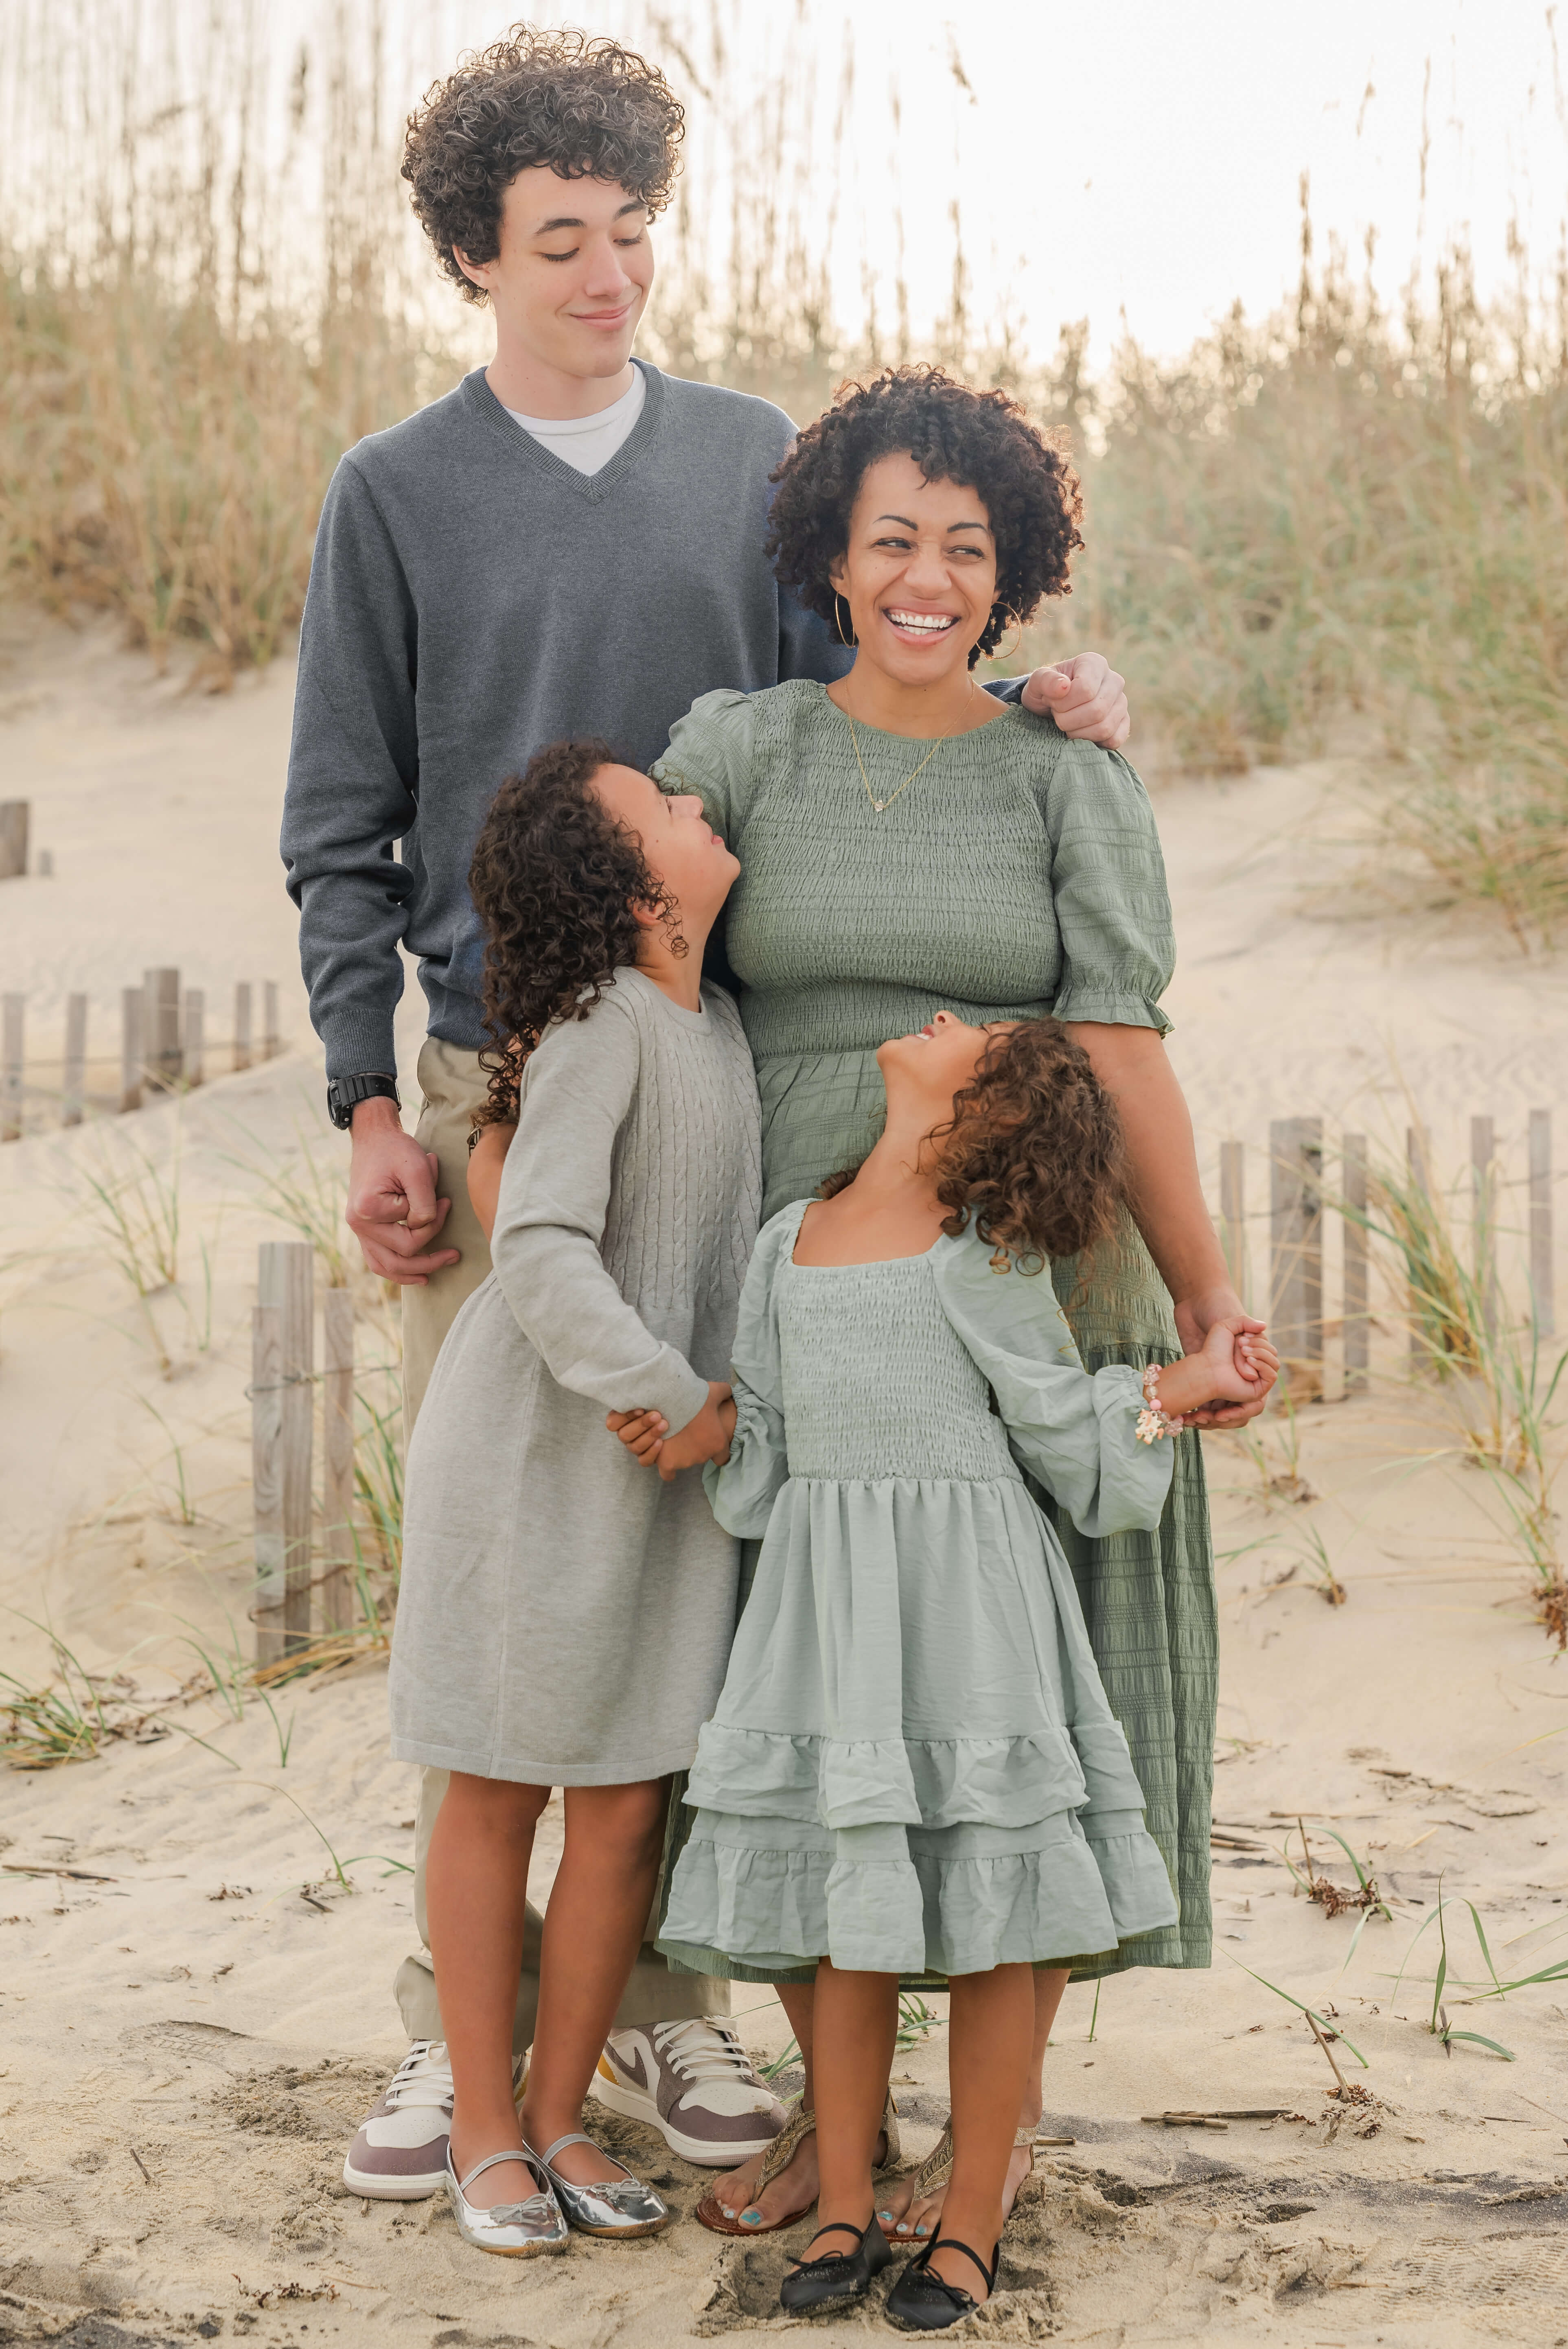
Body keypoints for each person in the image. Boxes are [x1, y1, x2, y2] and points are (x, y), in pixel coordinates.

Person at [280, 24, 1134, 2196]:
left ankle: (645, 2021)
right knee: (511, 1581)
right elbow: (343, 823)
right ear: (475, 255)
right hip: (495, 1075)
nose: (608, 274)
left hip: (714, 1070)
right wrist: (370, 1105)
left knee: (689, 1576)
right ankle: (446, 2046)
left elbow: (861, 663)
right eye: (559, 240)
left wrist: (1032, 690)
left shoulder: (747, 451)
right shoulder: (392, 491)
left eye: (632, 226)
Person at [619, 363, 1275, 2242]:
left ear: (1016, 575)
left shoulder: (1070, 773)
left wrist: (1210, 1304)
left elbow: (1125, 1050)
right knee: (816, 1711)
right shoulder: (743, 747)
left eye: (967, 548)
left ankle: (980, 2156)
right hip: (800, 1296)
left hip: (1033, 1280)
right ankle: (840, 2137)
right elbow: (618, 944)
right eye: (893, 538)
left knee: (1026, 1715)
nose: (928, 577)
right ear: (830, 554)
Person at [612, 1013, 1275, 2322]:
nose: (935, 1018)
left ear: (984, 1099)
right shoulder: (783, 1237)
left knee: (990, 1914)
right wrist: (703, 1434)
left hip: (969, 1601)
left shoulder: (980, 1250)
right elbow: (769, 1429)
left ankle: (970, 2215)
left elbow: (1053, 1415)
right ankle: (847, 2201)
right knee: (842, 1920)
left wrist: (1181, 1386)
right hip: (823, 1603)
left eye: (966, 1031)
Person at [388, 737, 762, 2254]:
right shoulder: (605, 1023)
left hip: (661, 1481)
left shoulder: (721, 1024)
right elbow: (537, 1245)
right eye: (662, 807)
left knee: (621, 1808)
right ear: (629, 893)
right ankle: (482, 2124)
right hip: (544, 1453)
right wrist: (671, 1393)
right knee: (494, 1783)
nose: (697, 804)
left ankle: (558, 2112)